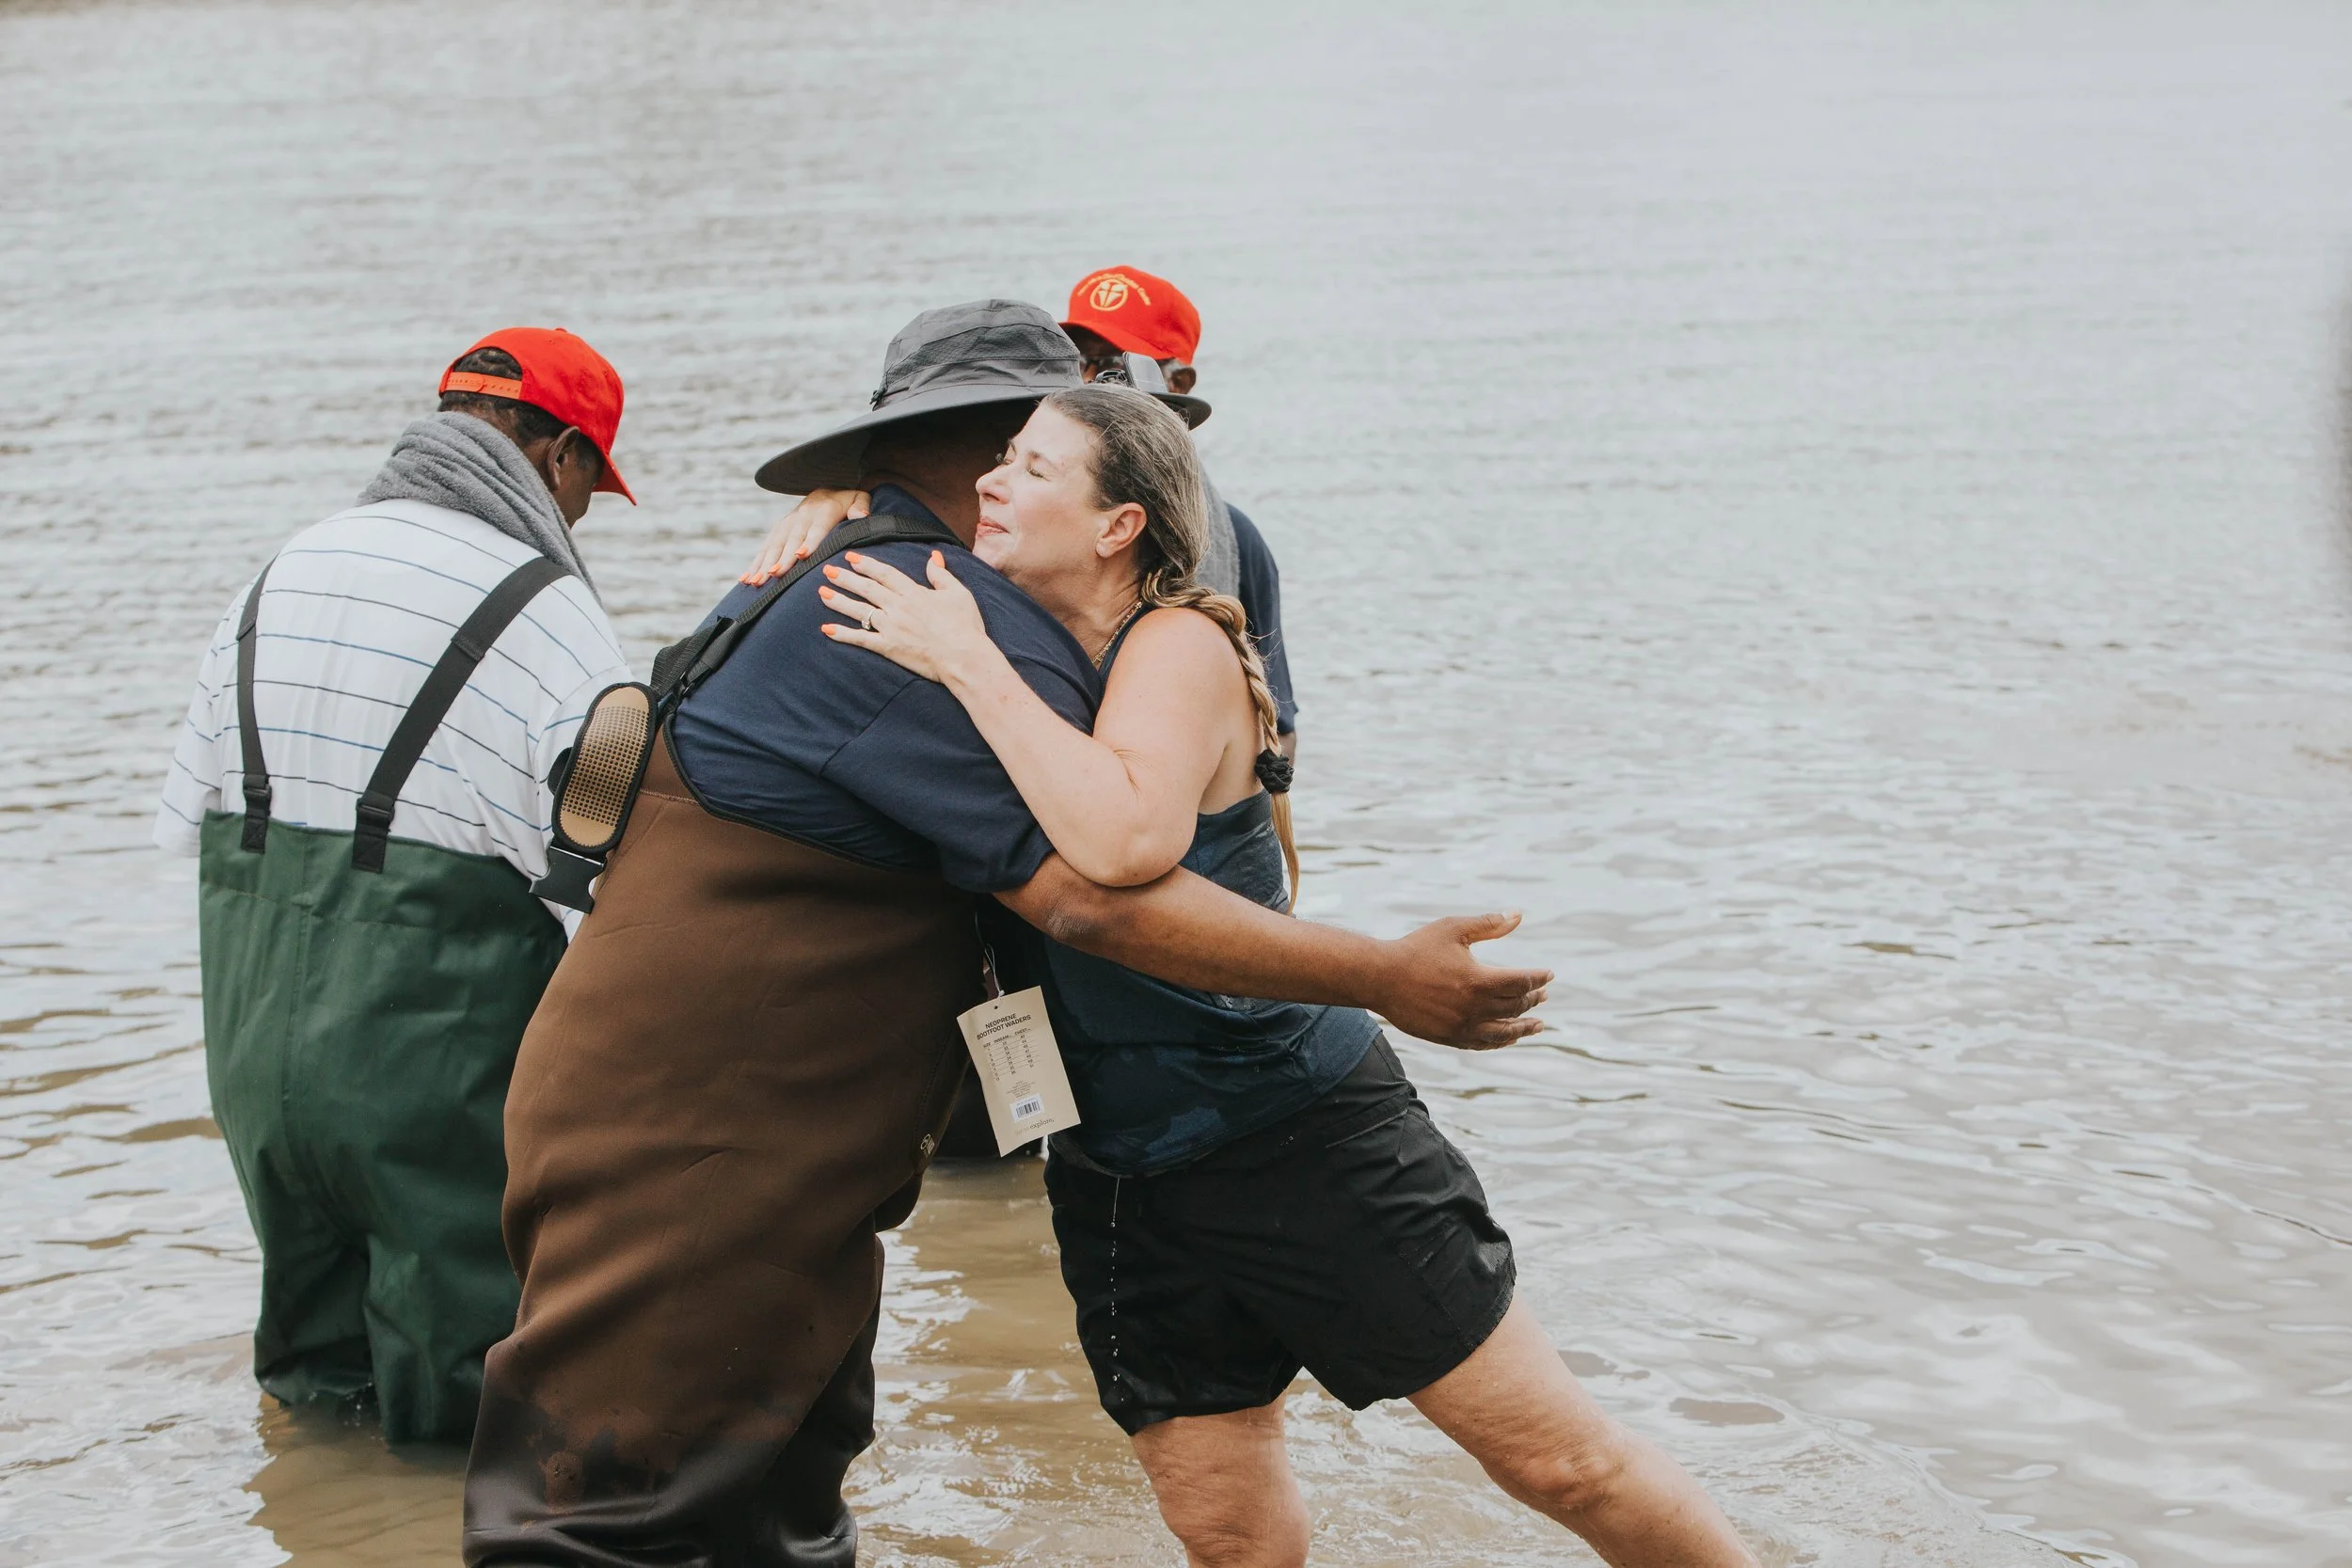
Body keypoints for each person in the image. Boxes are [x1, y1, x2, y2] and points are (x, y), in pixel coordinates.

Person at [460, 300, 1550, 1568]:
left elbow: (1188, 559)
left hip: (744, 1134)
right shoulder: (904, 606)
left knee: (773, 1507)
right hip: (691, 1133)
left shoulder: (888, 572)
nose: (1024, 466)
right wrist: (1384, 973)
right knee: (608, 1522)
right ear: (976, 453)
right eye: (1025, 440)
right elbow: (1090, 897)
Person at [815, 384, 1758, 1568]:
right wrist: (828, 500)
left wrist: (963, 661)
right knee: (1224, 1530)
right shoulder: (1022, 621)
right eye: (996, 461)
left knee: (1559, 1462)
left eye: (1033, 468)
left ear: (1117, 527)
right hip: (1113, 1163)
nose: (994, 482)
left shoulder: (1179, 642)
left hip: (1296, 1128)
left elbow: (1119, 849)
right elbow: (895, 511)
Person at [153, 328, 637, 1442]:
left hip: (256, 1056)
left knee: (316, 1389)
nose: (580, 514)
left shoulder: (277, 572)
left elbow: (195, 815)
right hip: (431, 1073)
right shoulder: (548, 612)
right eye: (589, 485)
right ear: (561, 455)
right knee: (470, 1426)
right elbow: (600, 869)